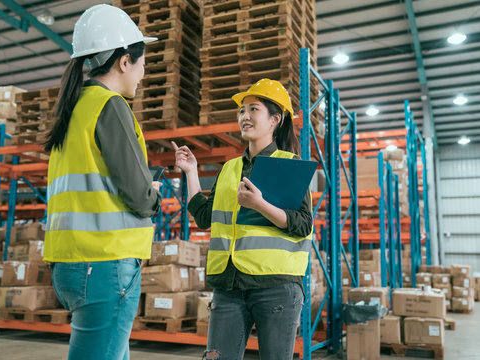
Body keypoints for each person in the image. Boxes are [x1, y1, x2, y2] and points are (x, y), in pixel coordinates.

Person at [43, 5, 162, 360]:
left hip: (70, 263)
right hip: (105, 263)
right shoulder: (110, 106)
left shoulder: (75, 107)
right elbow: (138, 195)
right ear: (125, 61)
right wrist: (152, 196)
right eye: (141, 63)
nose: (142, 73)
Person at [173, 79, 313, 360]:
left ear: (275, 119)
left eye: (253, 109)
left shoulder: (289, 164)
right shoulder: (229, 169)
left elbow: (303, 225)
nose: (244, 116)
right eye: (241, 111)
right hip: (229, 286)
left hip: (275, 288)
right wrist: (191, 172)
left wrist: (260, 205)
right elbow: (203, 216)